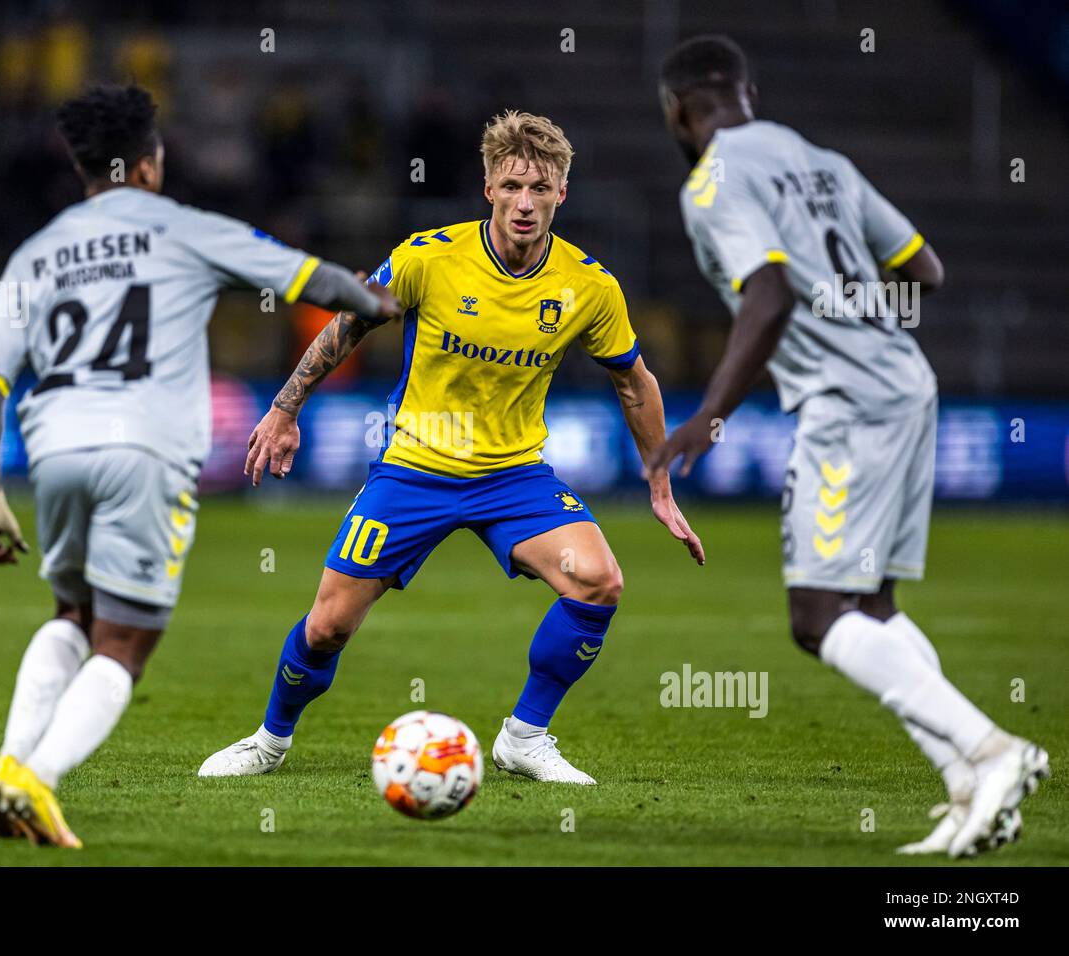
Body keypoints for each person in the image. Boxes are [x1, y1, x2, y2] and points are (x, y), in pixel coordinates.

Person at [198, 110, 703, 786]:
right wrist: (285, 408)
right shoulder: (428, 256)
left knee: (599, 581)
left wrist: (659, 481)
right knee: (326, 628)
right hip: (415, 469)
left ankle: (524, 737)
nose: (526, 202)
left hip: (514, 476)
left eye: (542, 188)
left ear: (563, 194)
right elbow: (350, 323)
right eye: (513, 185)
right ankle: (269, 740)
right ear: (488, 187)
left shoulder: (589, 287)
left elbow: (633, 382)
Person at [0, 83, 399, 847]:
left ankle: (8, 765)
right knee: (125, 641)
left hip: (54, 445)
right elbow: (307, 278)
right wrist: (377, 303)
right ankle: (37, 778)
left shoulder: (41, 249)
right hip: (144, 450)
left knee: (72, 614)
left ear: (82, 168)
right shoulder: (182, 228)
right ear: (147, 166)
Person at [647, 35, 1048, 857]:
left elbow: (769, 294)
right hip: (908, 382)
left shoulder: (714, 181)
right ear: (747, 91)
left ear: (677, 113)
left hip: (848, 402)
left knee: (817, 616)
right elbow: (925, 269)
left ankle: (994, 750)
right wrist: (859, 307)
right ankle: (970, 786)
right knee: (872, 606)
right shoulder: (821, 159)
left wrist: (709, 416)